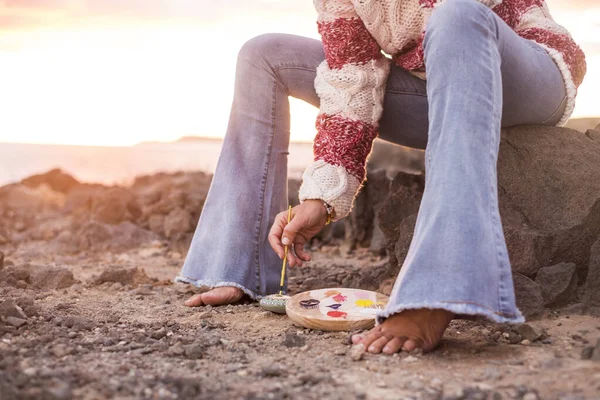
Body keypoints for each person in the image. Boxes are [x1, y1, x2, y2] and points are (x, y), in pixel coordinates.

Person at [176, 0, 586, 354]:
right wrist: (321, 197)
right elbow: (354, 80)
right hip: (434, 87)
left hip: (527, 71)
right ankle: (236, 266)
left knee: (457, 16)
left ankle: (438, 290)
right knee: (264, 54)